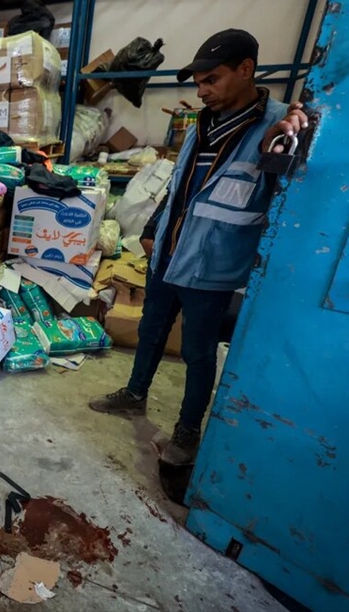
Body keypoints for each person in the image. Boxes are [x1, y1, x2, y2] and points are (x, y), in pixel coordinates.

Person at [88, 29, 309, 466]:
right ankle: (134, 393)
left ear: (246, 70)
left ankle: (187, 431)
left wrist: (289, 138)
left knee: (198, 351)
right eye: (199, 82)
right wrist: (153, 228)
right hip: (169, 254)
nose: (203, 90)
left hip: (213, 265)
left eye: (213, 79)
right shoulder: (201, 123)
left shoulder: (280, 124)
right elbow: (179, 187)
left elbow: (287, 192)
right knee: (151, 330)